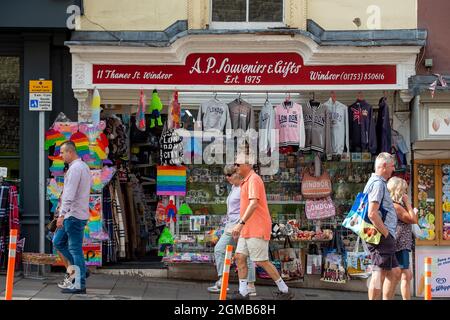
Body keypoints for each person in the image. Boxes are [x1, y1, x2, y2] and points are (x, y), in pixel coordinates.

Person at [230, 153, 294, 300]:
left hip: (256, 227)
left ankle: (285, 291)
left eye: (238, 164)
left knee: (261, 261)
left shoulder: (254, 179)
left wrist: (240, 224)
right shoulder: (246, 181)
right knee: (239, 257)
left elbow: (253, 204)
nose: (235, 167)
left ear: (247, 165)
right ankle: (243, 292)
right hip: (247, 228)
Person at [207, 165, 257, 295]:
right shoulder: (234, 187)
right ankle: (223, 280)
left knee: (244, 255)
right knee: (221, 250)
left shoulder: (244, 187)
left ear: (237, 174)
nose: (227, 177)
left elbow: (249, 207)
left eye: (229, 174)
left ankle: (250, 285)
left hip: (241, 226)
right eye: (226, 175)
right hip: (231, 226)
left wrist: (241, 224)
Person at [53, 141, 91, 294]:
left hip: (73, 215)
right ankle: (82, 269)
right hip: (74, 214)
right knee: (58, 242)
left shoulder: (76, 169)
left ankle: (79, 285)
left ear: (70, 152)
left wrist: (61, 215)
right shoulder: (83, 167)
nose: (60, 155)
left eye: (62, 152)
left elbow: (69, 194)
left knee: (75, 249)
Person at [365, 152, 401, 300]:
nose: (394, 170)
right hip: (381, 236)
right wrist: (386, 233)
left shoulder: (376, 182)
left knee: (395, 272)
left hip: (382, 235)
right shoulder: (378, 184)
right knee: (379, 273)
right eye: (392, 166)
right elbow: (372, 213)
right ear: (384, 166)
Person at [387, 177, 418, 300]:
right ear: (398, 191)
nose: (405, 193)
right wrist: (408, 203)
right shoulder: (397, 206)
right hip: (400, 243)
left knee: (405, 275)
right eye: (404, 190)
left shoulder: (394, 205)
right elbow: (413, 220)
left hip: (401, 242)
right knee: (400, 275)